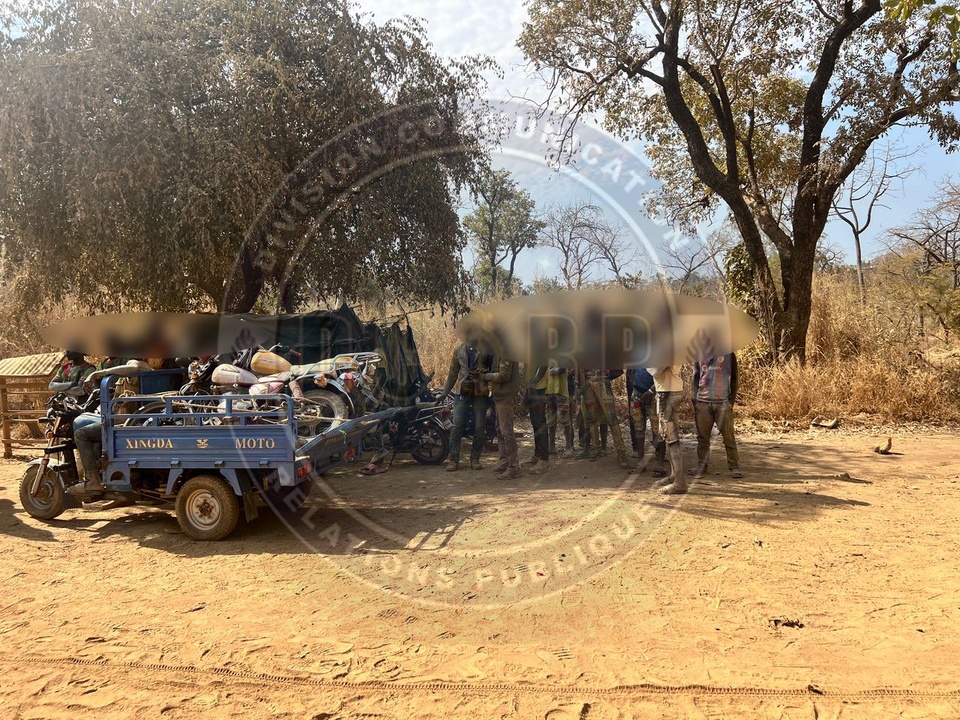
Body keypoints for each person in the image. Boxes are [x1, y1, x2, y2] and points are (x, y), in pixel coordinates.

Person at [70, 358, 152, 498]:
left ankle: (93, 481)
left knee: (81, 434)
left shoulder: (137, 364)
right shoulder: (150, 370)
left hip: (130, 421)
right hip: (141, 417)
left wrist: (98, 374)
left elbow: (133, 368)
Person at [438, 342, 491, 471]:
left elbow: (493, 370)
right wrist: (444, 393)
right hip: (462, 391)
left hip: (480, 392)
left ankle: (475, 459)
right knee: (457, 424)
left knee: (479, 426)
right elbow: (452, 374)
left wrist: (483, 372)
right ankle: (453, 459)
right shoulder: (459, 350)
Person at [689, 353, 742, 479]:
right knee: (702, 438)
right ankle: (702, 465)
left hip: (723, 403)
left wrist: (731, 402)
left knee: (728, 437)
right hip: (702, 402)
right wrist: (694, 399)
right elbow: (695, 377)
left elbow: (735, 378)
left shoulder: (729, 355)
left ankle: (734, 467)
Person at [576, 368, 635, 471]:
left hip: (602, 381)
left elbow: (618, 370)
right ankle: (596, 449)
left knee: (611, 418)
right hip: (587, 384)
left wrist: (606, 375)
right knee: (591, 418)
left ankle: (621, 453)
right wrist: (577, 385)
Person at [647, 364, 686, 494]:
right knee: (668, 436)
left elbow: (656, 370)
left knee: (671, 437)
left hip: (668, 392)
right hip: (669, 390)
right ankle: (675, 476)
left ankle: (679, 483)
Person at [483, 356, 522, 480]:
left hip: (505, 396)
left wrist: (485, 376)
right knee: (499, 429)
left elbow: (504, 375)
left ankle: (513, 466)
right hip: (499, 395)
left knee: (506, 431)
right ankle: (504, 461)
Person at [628, 366, 662, 470]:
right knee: (638, 427)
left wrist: (651, 392)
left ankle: (660, 464)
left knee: (658, 429)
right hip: (637, 391)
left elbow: (663, 376)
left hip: (654, 393)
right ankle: (640, 461)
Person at [522, 365, 550, 474]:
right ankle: (537, 454)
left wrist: (533, 382)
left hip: (539, 389)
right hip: (532, 387)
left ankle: (544, 459)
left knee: (540, 422)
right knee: (534, 422)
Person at [545, 361, 575, 459]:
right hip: (549, 391)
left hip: (561, 391)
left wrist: (547, 371)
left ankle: (569, 447)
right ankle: (552, 446)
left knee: (564, 419)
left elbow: (559, 369)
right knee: (550, 420)